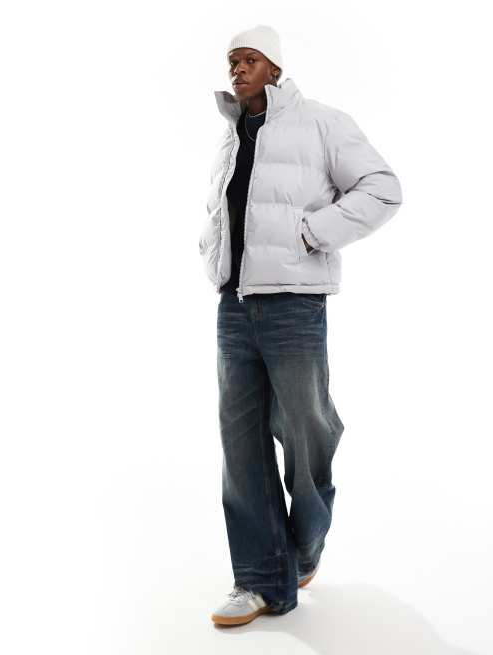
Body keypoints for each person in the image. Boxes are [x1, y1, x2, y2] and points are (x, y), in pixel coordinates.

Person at [199, 24, 403, 626]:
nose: (238, 69)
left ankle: (306, 543)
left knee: (308, 430)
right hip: (234, 306)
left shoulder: (321, 123)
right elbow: (224, 211)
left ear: (275, 69)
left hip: (294, 305)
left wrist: (312, 233)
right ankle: (260, 579)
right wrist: (212, 253)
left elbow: (382, 189)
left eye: (250, 59)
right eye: (232, 60)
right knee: (241, 445)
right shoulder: (232, 136)